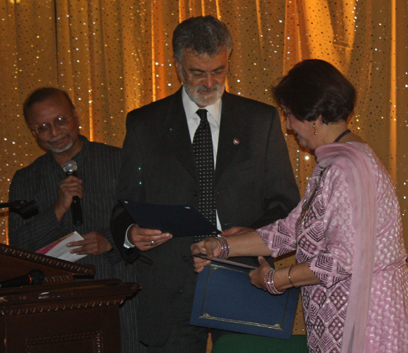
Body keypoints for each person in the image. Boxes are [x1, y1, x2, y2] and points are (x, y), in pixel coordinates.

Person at [192, 59, 408, 353]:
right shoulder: (337, 162)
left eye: (289, 115)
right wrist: (222, 247)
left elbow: (341, 260)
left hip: (366, 315)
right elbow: (292, 231)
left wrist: (277, 279)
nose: (289, 126)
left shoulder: (345, 169)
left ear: (314, 116)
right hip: (353, 309)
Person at [111, 15, 300, 353]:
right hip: (169, 290)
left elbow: (285, 205)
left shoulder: (261, 121)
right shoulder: (144, 124)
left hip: (244, 281)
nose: (210, 82)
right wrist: (130, 233)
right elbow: (124, 204)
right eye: (198, 72)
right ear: (177, 65)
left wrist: (244, 238)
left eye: (219, 71)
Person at [8, 87, 143, 353]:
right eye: (44, 127)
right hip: (55, 310)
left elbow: (146, 226)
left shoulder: (119, 162)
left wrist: (110, 241)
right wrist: (57, 208)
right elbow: (19, 251)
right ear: (34, 134)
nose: (55, 133)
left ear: (76, 115)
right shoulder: (26, 179)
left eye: (61, 121)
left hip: (120, 301)